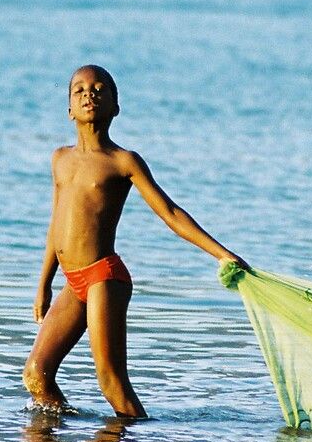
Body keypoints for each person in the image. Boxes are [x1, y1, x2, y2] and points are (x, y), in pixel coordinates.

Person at [23, 65, 245, 418]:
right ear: (69, 110)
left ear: (115, 107)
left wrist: (222, 254)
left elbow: (171, 213)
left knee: (111, 381)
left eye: (99, 89)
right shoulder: (60, 159)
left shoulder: (122, 162)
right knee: (37, 374)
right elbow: (56, 224)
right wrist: (43, 284)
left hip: (103, 278)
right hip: (72, 282)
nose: (88, 94)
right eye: (79, 90)